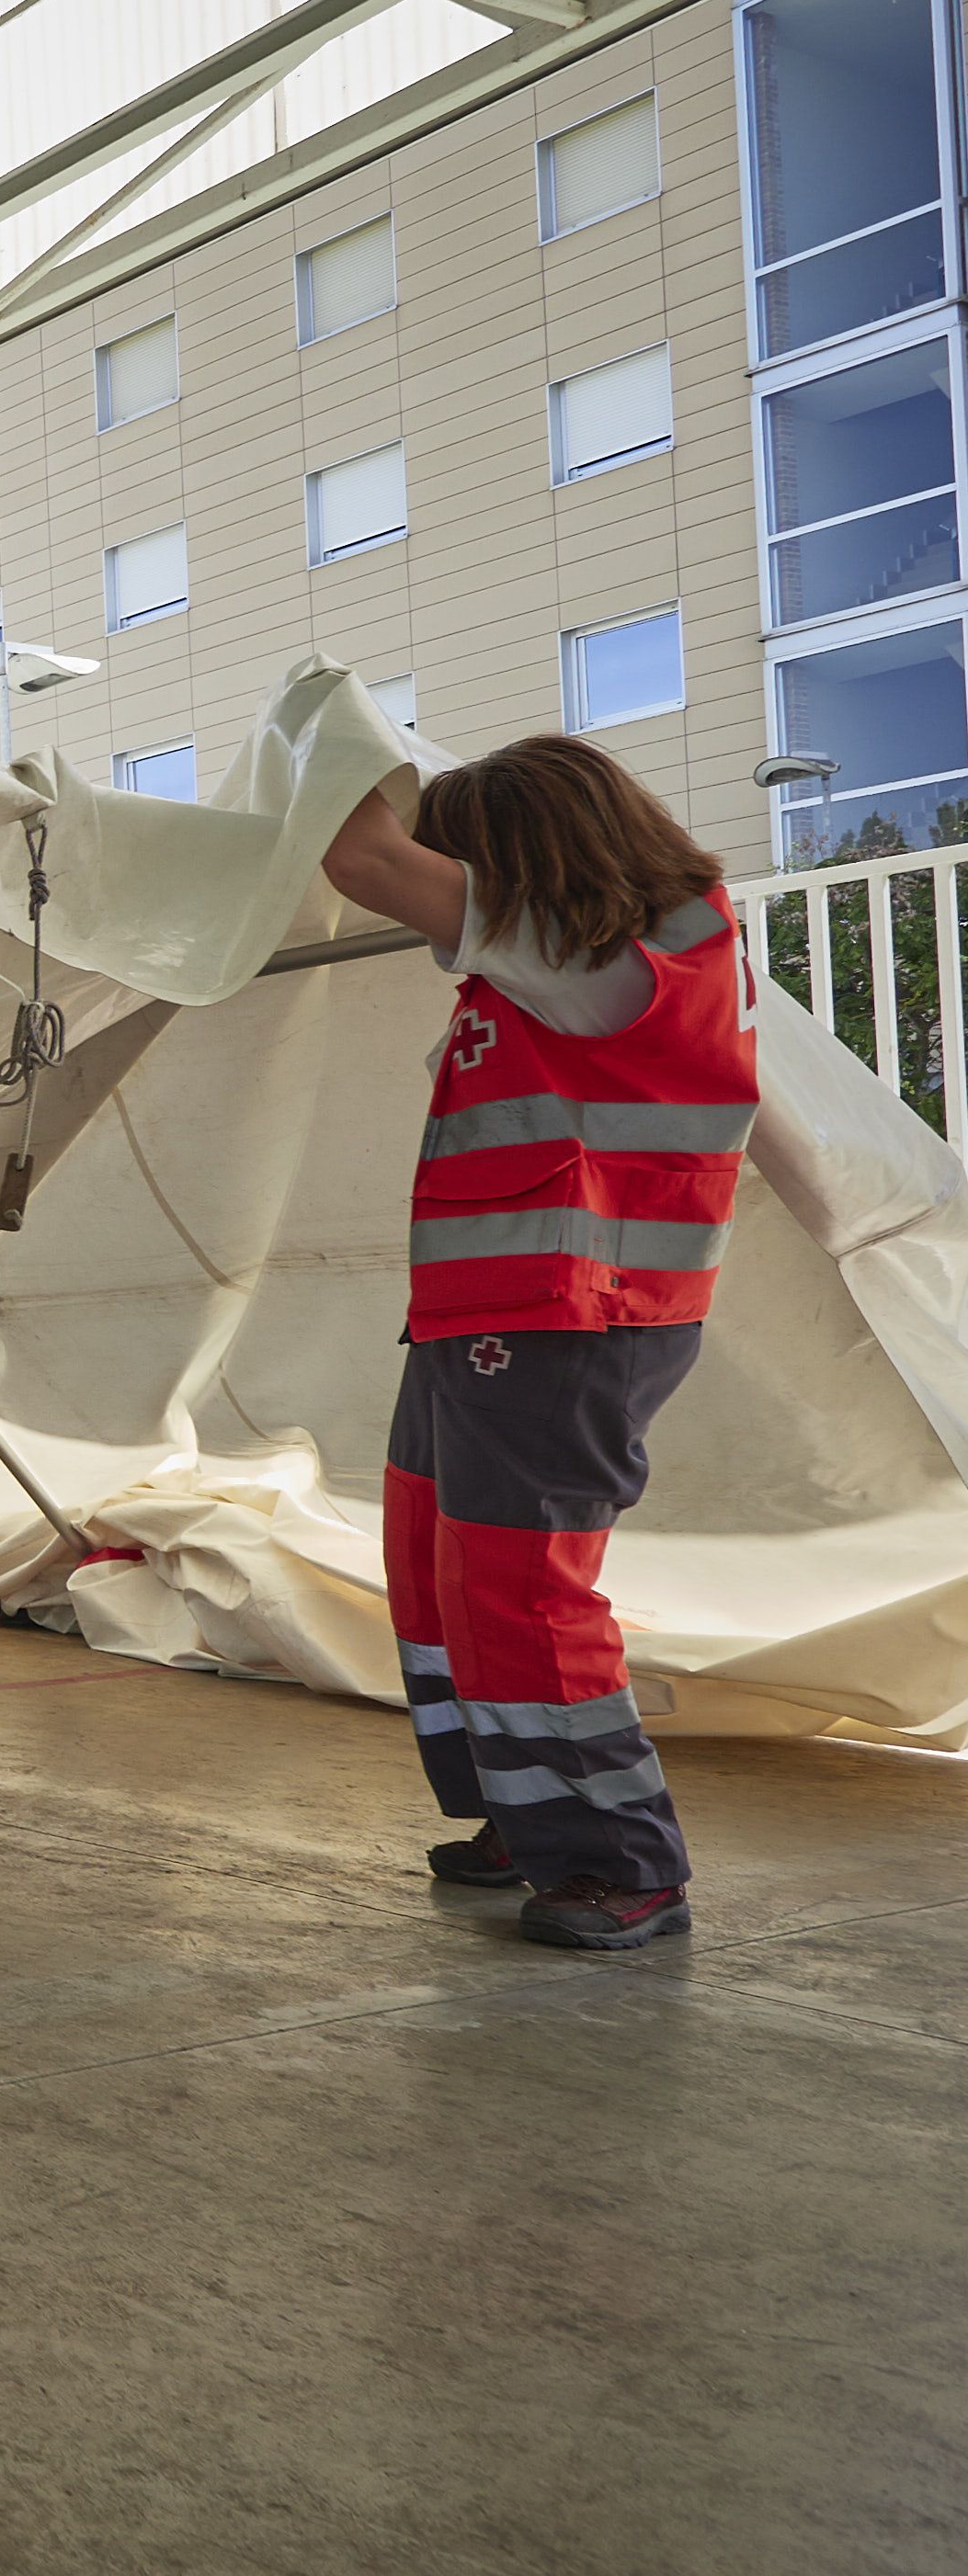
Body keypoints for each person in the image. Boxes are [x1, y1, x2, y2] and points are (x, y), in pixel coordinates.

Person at [318, 735, 757, 1952]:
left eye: (456, 861)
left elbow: (356, 854)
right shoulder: (550, 973)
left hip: (565, 1323)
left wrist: (328, 725)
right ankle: (529, 1809)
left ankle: (618, 1863)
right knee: (439, 1569)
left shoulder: (611, 956)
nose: (439, 898)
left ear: (516, 858)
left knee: (517, 1587)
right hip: (485, 1321)